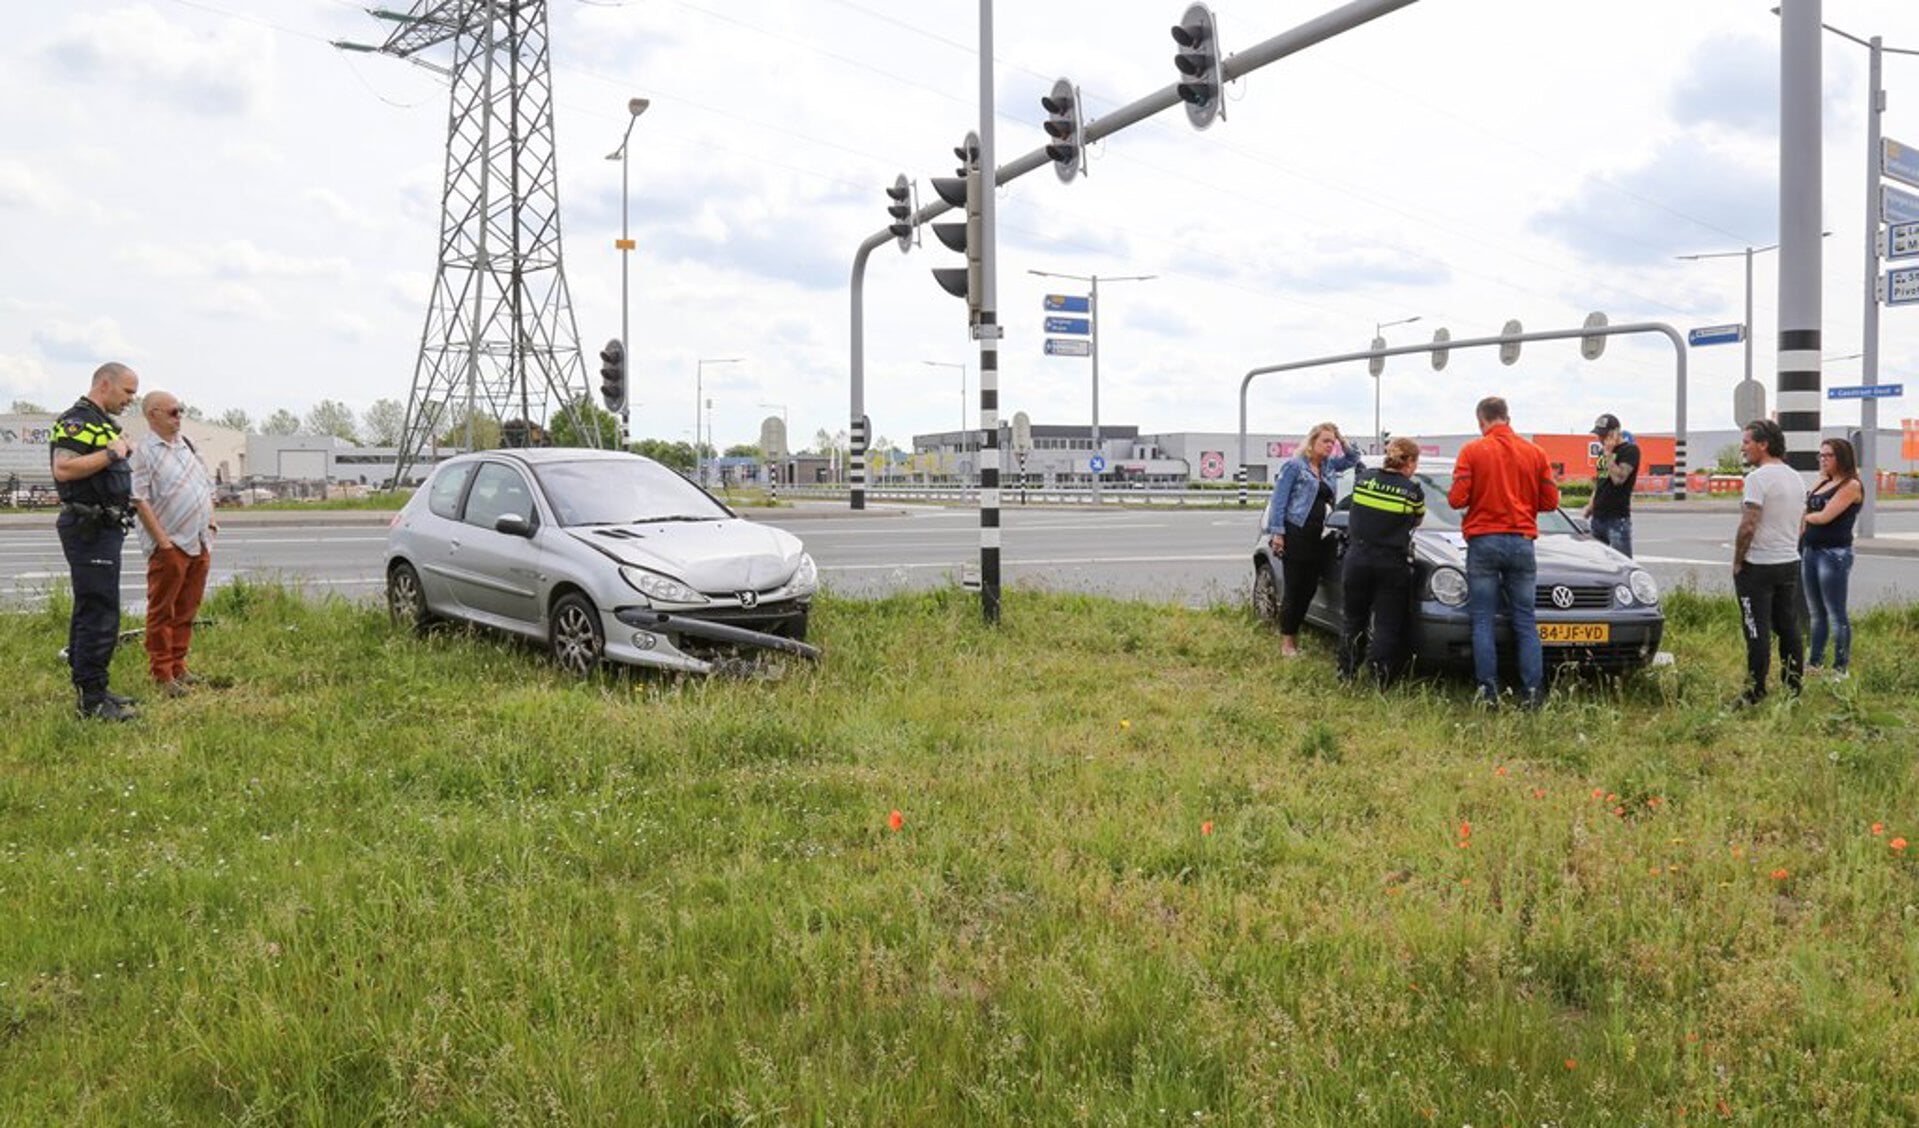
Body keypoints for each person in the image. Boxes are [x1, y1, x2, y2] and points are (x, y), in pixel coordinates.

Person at [1447, 396, 1560, 710]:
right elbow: (1550, 502)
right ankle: (1534, 694)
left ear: (1482, 420)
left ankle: (1489, 693)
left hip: (1483, 541)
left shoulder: (1472, 451)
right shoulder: (1535, 452)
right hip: (1522, 542)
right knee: (1525, 619)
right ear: (1507, 417)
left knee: (1482, 619)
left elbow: (1457, 499)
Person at [50, 362, 141, 721]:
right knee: (99, 612)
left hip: (103, 527)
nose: (130, 400)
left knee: (95, 608)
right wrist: (114, 453)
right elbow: (64, 468)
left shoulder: (102, 422)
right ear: (106, 384)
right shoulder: (77, 421)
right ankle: (92, 701)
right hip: (88, 528)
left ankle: (95, 688)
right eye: (127, 392)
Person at [131, 390, 219, 696]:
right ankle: (162, 672)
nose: (179, 416)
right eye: (172, 412)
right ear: (152, 414)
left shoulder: (189, 446)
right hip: (170, 544)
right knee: (162, 610)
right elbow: (138, 498)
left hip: (199, 540)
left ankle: (179, 666)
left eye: (181, 410)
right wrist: (162, 542)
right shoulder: (143, 452)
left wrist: (211, 522)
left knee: (187, 607)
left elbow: (206, 487)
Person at [1262, 422, 1363, 657]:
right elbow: (1279, 500)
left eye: (1332, 442)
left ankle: (1295, 635)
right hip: (1296, 532)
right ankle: (1287, 642)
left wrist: (1341, 438)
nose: (1330, 446)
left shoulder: (1329, 466)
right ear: (1312, 442)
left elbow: (1354, 459)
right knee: (1295, 588)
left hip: (1321, 535)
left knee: (1309, 588)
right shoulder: (1295, 466)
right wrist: (1278, 532)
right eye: (1325, 441)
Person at [1338, 436, 1425, 687]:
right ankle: (1379, 678)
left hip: (1357, 558)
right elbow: (1417, 520)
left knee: (1353, 619)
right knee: (1387, 622)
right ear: (1408, 462)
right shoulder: (1412, 490)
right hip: (1391, 562)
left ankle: (1347, 674)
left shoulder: (1365, 480)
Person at [1732, 418, 1805, 704]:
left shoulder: (1757, 478)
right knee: (1788, 626)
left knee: (1755, 629)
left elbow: (1749, 524)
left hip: (1758, 566)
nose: (1742, 448)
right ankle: (1793, 687)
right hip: (1788, 562)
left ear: (1763, 445)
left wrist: (1738, 560)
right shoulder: (1795, 477)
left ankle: (1755, 690)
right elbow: (1800, 522)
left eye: (1747, 442)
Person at [1800, 436, 1862, 679]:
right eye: (1821, 455)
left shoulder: (1851, 485)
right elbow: (1806, 509)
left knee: (1836, 613)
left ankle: (1840, 668)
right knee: (1816, 613)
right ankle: (1814, 663)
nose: (1822, 460)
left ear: (1842, 458)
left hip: (1833, 554)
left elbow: (1825, 516)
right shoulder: (1821, 482)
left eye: (1828, 455)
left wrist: (1807, 516)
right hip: (1811, 551)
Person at [1581, 412, 1639, 557]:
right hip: (1598, 517)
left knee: (1621, 562)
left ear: (1615, 433)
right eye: (1599, 435)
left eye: (1604, 435)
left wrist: (1608, 454)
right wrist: (1590, 506)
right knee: (1599, 562)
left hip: (1617, 519)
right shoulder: (1601, 453)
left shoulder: (1630, 451)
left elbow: (1618, 479)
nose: (1600, 439)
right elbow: (1601, 481)